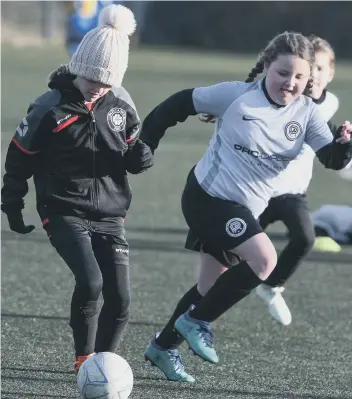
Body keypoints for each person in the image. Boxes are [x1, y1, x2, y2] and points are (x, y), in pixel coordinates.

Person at [140, 31, 352, 382]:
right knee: (266, 260)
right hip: (207, 199)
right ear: (267, 66)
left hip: (242, 212)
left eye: (300, 77)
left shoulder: (308, 114)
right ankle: (197, 321)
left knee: (210, 288)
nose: (290, 83)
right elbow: (177, 104)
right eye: (283, 73)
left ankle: (162, 347)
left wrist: (345, 145)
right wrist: (147, 142)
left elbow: (330, 157)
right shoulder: (237, 96)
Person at [1, 4, 153, 375]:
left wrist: (140, 157)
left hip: (111, 214)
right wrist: (12, 201)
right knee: (91, 281)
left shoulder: (121, 104)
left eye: (106, 82)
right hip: (63, 209)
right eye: (90, 79)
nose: (97, 88)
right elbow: (20, 156)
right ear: (77, 68)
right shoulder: (49, 107)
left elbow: (130, 150)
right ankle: (84, 357)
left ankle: (103, 364)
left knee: (121, 299)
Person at [255, 35, 345, 326]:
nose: (315, 75)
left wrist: (343, 143)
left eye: (321, 68)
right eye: (310, 68)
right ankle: (200, 305)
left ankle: (271, 287)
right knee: (228, 254)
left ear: (330, 73)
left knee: (305, 238)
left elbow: (329, 152)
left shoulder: (329, 103)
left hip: (293, 191)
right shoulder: (290, 97)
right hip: (259, 188)